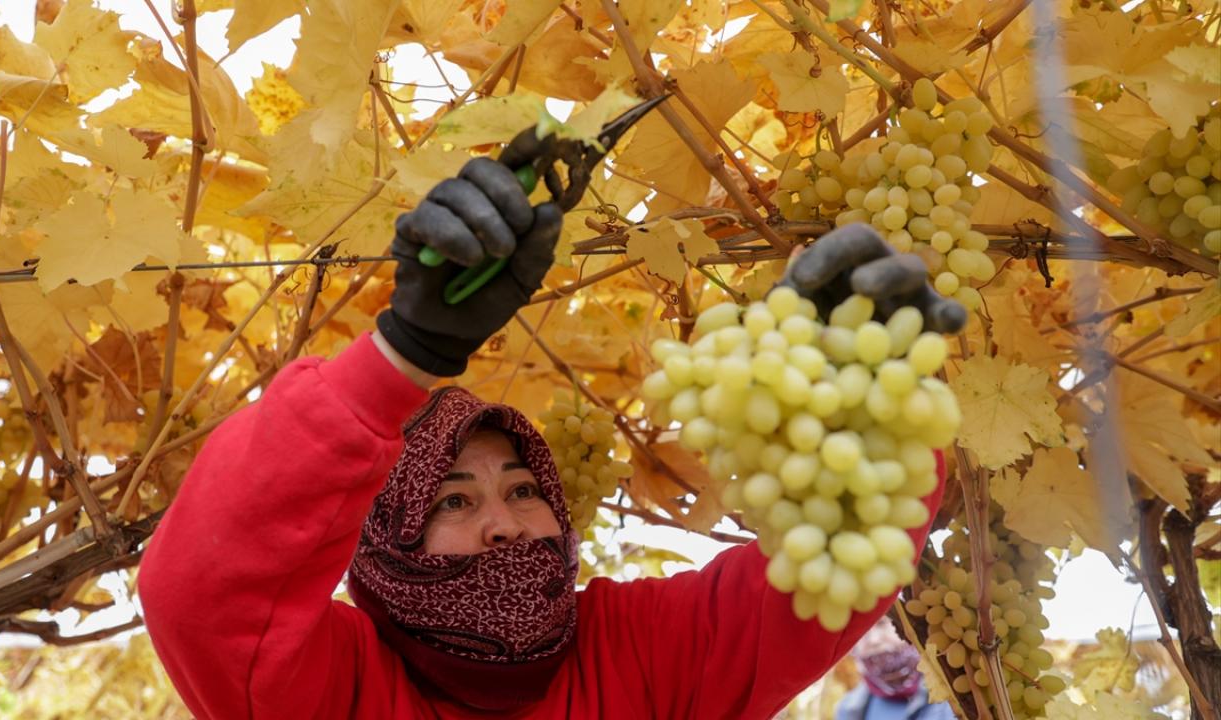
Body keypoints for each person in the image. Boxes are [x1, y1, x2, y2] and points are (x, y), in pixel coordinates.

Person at [137, 143, 967, 718]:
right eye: (452, 500)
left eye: (525, 490)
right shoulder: (334, 687)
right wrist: (402, 356)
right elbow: (203, 594)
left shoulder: (641, 650)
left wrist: (872, 400)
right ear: (383, 541)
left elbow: (845, 561)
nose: (505, 523)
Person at [835, 618, 957, 720]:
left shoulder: (955, 689)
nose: (874, 640)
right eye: (861, 632)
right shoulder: (849, 709)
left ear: (907, 626)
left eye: (882, 624)